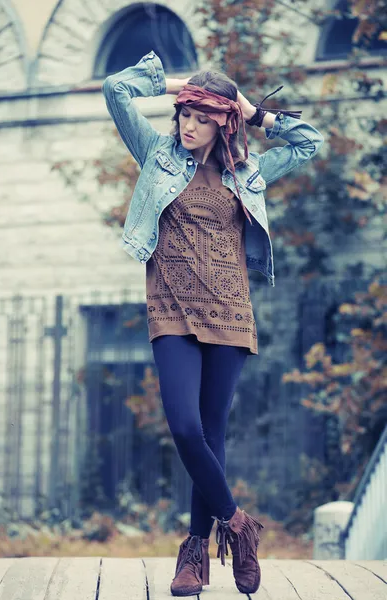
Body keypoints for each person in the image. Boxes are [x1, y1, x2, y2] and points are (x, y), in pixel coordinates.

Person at [102, 50, 324, 596]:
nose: (190, 125)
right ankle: (240, 527)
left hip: (229, 312)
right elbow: (116, 89)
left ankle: (195, 556)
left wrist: (253, 112)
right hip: (172, 308)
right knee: (184, 427)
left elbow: (309, 141)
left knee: (213, 434)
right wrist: (184, 83)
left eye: (204, 116)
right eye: (185, 113)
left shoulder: (247, 171)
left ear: (223, 121)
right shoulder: (155, 153)